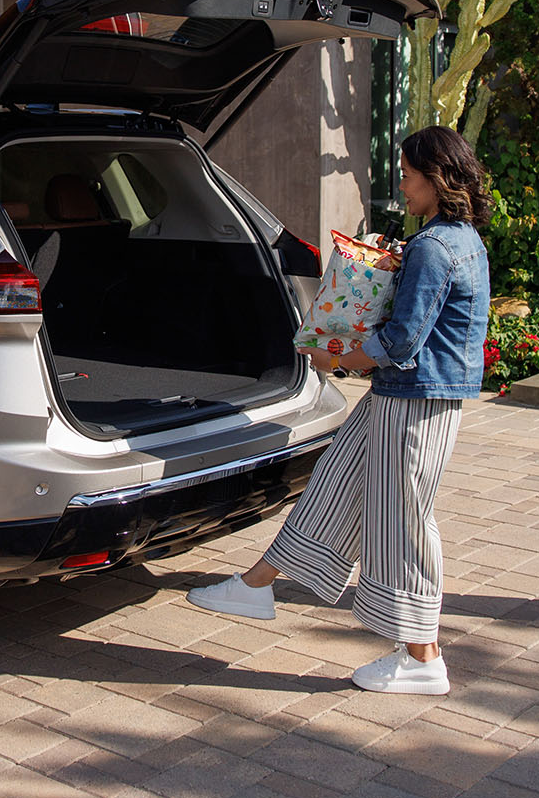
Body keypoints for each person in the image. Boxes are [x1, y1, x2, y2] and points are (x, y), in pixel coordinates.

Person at [188, 126, 489, 694]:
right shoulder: (460, 237)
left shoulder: (434, 245)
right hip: (411, 396)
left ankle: (421, 655)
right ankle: (257, 584)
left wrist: (342, 357)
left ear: (436, 177)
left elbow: (402, 341)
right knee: (334, 480)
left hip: (415, 398)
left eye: (406, 174)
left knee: (401, 519)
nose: (400, 184)